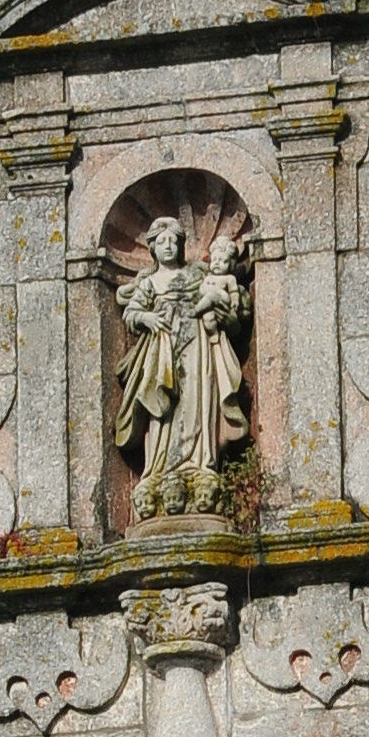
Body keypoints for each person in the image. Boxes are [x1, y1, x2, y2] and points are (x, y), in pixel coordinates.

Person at [114, 213, 251, 514]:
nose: (167, 247)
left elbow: (225, 306)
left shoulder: (198, 275)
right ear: (152, 248)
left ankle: (201, 461)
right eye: (161, 242)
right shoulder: (149, 282)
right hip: (162, 349)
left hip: (198, 346)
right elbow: (131, 313)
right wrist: (147, 318)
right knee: (163, 411)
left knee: (198, 402)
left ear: (181, 245)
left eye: (173, 241)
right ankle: (160, 468)